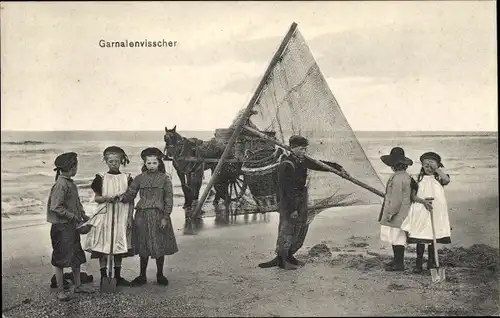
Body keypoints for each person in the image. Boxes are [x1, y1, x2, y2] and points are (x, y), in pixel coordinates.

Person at [258, 135, 350, 270]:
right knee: (287, 230)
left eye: (305, 149)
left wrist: (338, 168)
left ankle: (289, 256)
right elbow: (285, 190)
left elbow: (319, 164)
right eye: (301, 149)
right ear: (292, 148)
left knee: (299, 228)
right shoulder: (286, 164)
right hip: (289, 202)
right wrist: (293, 209)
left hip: (301, 199)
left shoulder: (301, 160)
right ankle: (282, 260)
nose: (304, 152)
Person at [119, 147, 178, 286]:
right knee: (143, 245)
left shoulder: (165, 179)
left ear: (159, 163)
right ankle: (142, 275)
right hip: (142, 215)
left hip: (158, 216)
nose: (151, 166)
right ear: (144, 164)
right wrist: (119, 197)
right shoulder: (139, 178)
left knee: (160, 245)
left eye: (154, 163)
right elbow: (130, 194)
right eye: (148, 163)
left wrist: (165, 217)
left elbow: (168, 199)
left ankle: (160, 274)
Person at [84, 146, 135, 287]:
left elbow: (131, 200)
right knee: (103, 246)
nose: (114, 164)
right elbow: (97, 198)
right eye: (111, 161)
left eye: (117, 161)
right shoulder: (101, 178)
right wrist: (107, 198)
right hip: (105, 215)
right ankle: (104, 276)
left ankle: (117, 276)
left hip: (121, 215)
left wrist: (130, 217)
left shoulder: (127, 178)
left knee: (119, 244)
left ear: (121, 161)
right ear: (106, 161)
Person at [47, 152, 94, 301]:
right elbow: (56, 207)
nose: (77, 168)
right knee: (60, 260)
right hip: (61, 228)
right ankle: (61, 291)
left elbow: (76, 203)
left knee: (76, 257)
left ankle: (78, 286)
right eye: (76, 165)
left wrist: (83, 215)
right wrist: (73, 217)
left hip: (71, 226)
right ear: (72, 167)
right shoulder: (61, 184)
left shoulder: (69, 183)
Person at [401, 152, 451, 273]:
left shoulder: (440, 177)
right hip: (421, 209)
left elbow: (447, 180)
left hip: (436, 210)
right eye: (426, 166)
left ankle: (431, 263)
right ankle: (418, 264)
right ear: (422, 166)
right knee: (421, 236)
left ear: (438, 165)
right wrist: (423, 202)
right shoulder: (418, 179)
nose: (429, 168)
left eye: (431, 166)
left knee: (433, 235)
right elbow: (413, 197)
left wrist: (436, 169)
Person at [378, 147, 417, 272]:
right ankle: (396, 260)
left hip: (398, 213)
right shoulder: (404, 176)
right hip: (403, 211)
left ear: (393, 165)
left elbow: (396, 198)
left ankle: (399, 264)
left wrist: (391, 213)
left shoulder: (398, 178)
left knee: (398, 238)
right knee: (396, 237)